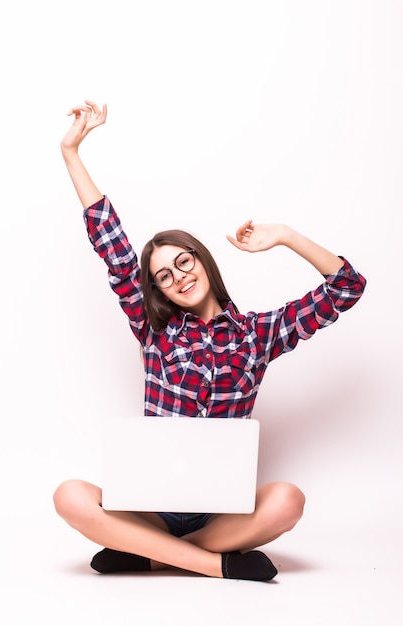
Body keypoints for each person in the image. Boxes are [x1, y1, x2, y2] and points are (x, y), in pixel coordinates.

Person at [53, 100, 366, 583]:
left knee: (288, 500)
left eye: (184, 262)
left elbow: (346, 287)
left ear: (202, 261)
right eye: (162, 276)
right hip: (149, 506)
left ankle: (149, 557)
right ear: (154, 291)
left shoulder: (258, 335)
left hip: (221, 512)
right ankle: (215, 565)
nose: (177, 277)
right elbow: (112, 245)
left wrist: (284, 235)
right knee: (69, 495)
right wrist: (71, 151)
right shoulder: (153, 329)